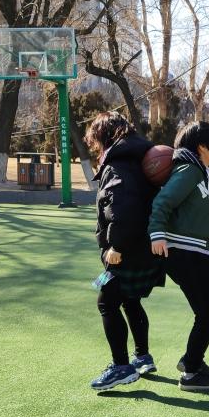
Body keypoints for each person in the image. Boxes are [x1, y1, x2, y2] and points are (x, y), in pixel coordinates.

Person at [86, 112, 164, 392]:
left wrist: (116, 246)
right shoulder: (139, 158)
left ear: (104, 136)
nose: (95, 147)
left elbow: (123, 207)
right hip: (146, 248)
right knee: (130, 301)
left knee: (106, 302)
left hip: (127, 249)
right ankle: (142, 357)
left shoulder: (119, 164)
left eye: (95, 141)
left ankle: (121, 367)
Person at [150, 121, 209, 392]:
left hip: (196, 251)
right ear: (202, 146)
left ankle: (192, 361)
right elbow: (163, 201)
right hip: (186, 251)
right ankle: (192, 371)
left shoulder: (198, 170)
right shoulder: (189, 170)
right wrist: (157, 232)